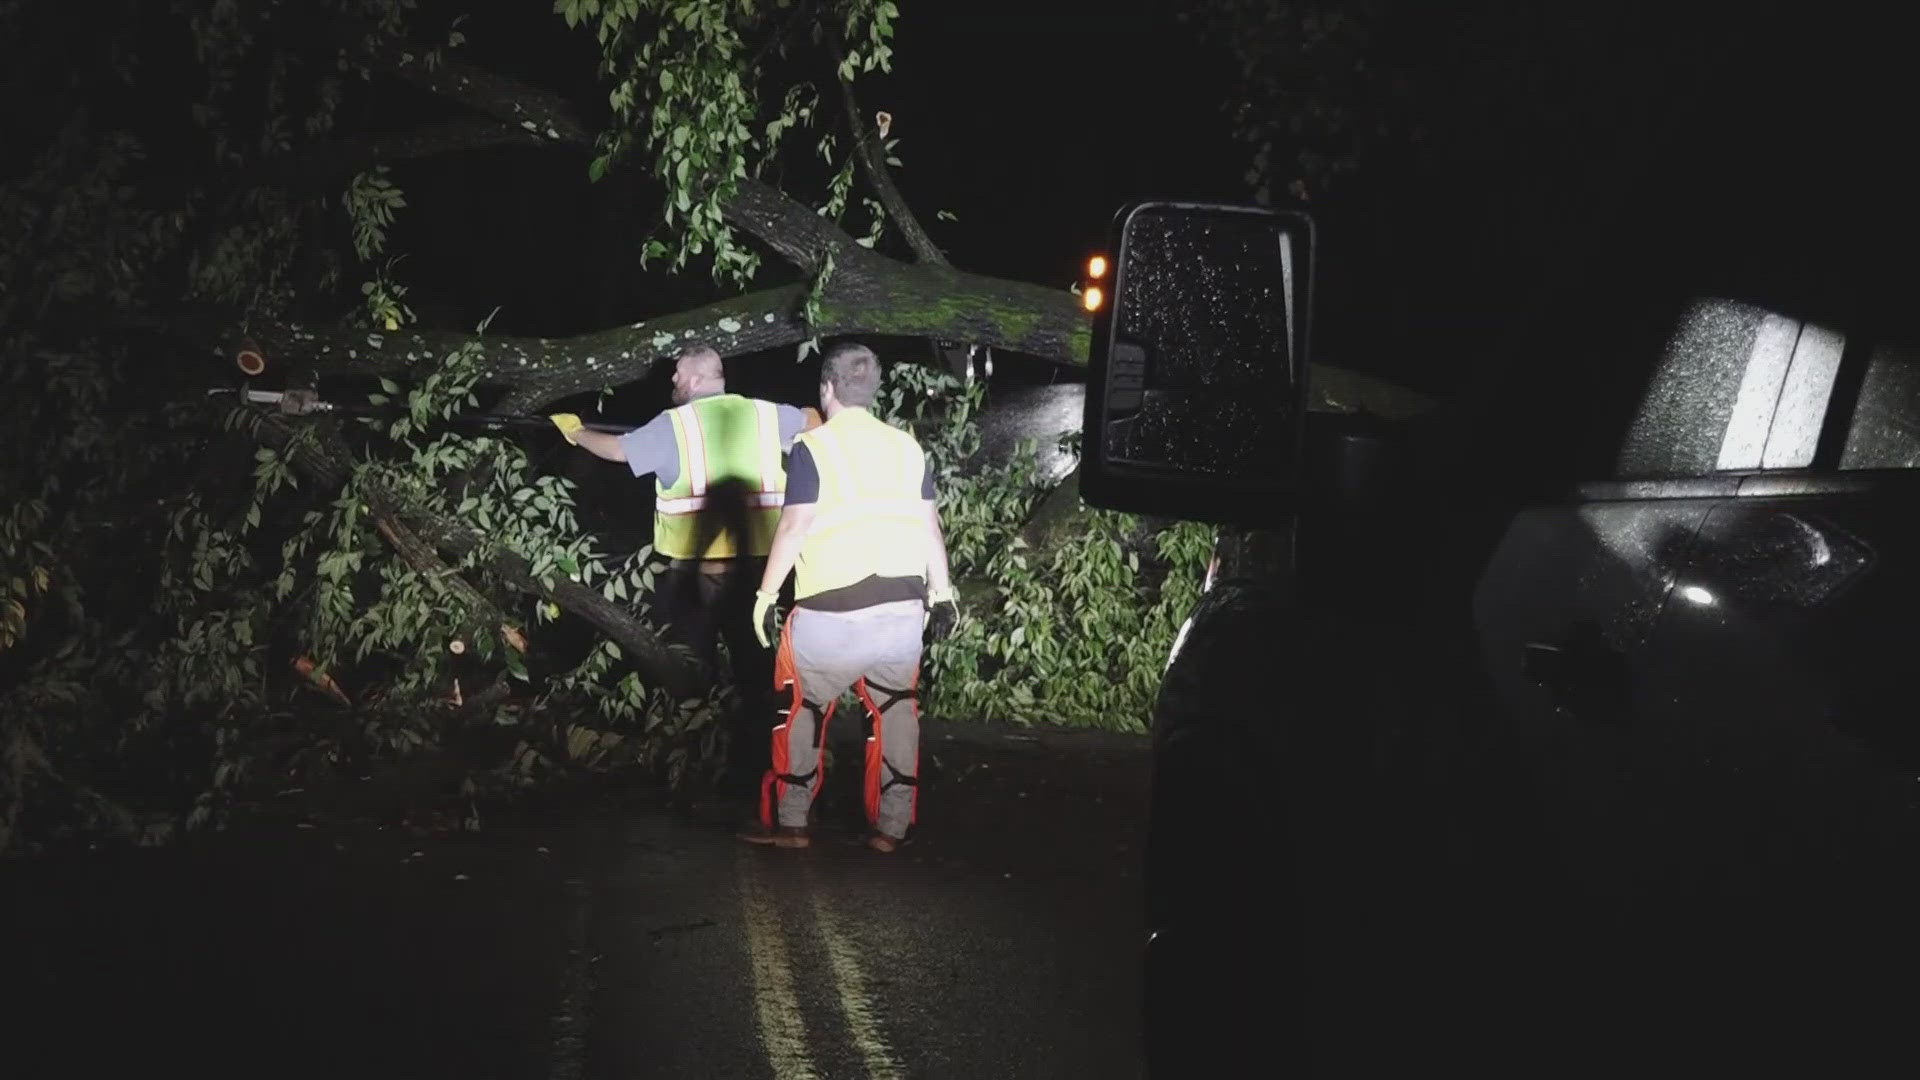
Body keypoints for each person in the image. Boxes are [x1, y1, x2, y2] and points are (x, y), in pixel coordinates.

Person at [549, 345, 815, 788]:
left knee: (690, 665)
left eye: (676, 375)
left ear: (693, 380)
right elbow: (816, 421)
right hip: (763, 575)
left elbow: (616, 450)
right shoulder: (766, 415)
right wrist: (802, 421)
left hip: (703, 578)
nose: (671, 382)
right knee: (756, 672)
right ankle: (763, 766)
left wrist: (577, 433)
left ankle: (700, 763)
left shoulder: (675, 425)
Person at [739, 342, 960, 853]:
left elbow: (794, 527)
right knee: (897, 710)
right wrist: (943, 595)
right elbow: (930, 527)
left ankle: (791, 824)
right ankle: (892, 828)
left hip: (829, 614)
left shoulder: (813, 448)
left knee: (800, 709)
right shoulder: (908, 447)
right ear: (873, 390)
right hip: (902, 609)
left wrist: (766, 594)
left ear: (826, 388)